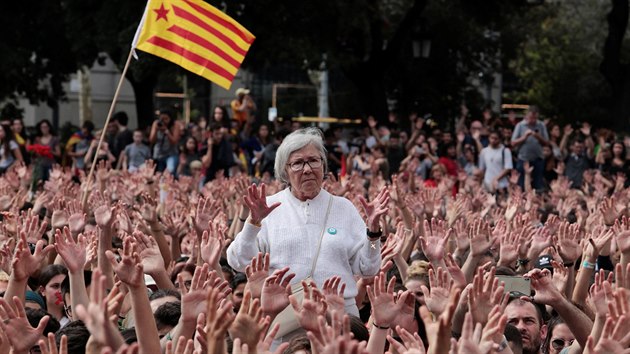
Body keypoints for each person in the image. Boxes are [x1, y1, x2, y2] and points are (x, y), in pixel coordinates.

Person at [227, 127, 389, 317]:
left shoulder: (343, 207)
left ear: (323, 165)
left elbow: (368, 270)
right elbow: (238, 261)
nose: (307, 169)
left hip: (339, 313)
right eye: (297, 163)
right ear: (285, 171)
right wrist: (253, 223)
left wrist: (373, 232)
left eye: (313, 161)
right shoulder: (268, 207)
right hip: (285, 314)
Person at [511, 105, 549, 190]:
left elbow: (546, 142)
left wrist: (538, 136)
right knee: (521, 185)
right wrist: (524, 137)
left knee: (538, 186)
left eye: (535, 118)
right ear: (527, 116)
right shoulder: (520, 125)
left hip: (538, 158)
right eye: (531, 118)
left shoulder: (541, 125)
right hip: (523, 159)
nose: (533, 121)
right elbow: (513, 142)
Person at [150, 108, 182, 173]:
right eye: (162, 119)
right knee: (159, 174)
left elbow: (174, 141)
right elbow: (152, 140)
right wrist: (156, 130)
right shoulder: (156, 123)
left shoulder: (175, 125)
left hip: (171, 153)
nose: (164, 121)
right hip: (159, 154)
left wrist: (167, 132)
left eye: (166, 119)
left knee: (170, 170)